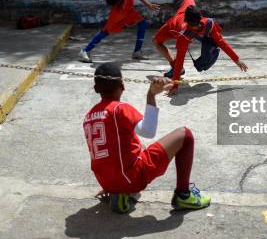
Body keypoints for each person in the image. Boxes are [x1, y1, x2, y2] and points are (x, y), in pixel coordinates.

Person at [83, 62, 211, 213]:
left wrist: (109, 185)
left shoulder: (88, 116)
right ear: (122, 86)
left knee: (132, 142)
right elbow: (148, 131)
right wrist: (151, 95)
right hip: (132, 178)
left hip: (107, 182)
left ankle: (120, 193)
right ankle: (183, 195)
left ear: (96, 89)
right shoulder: (119, 108)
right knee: (186, 134)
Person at [152, 0, 248, 95]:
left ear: (200, 16)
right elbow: (181, 58)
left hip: (185, 20)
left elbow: (221, 42)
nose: (198, 27)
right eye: (196, 26)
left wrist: (237, 59)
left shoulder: (206, 23)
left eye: (199, 25)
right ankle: (174, 66)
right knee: (157, 42)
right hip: (172, 27)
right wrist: (175, 85)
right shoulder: (184, 34)